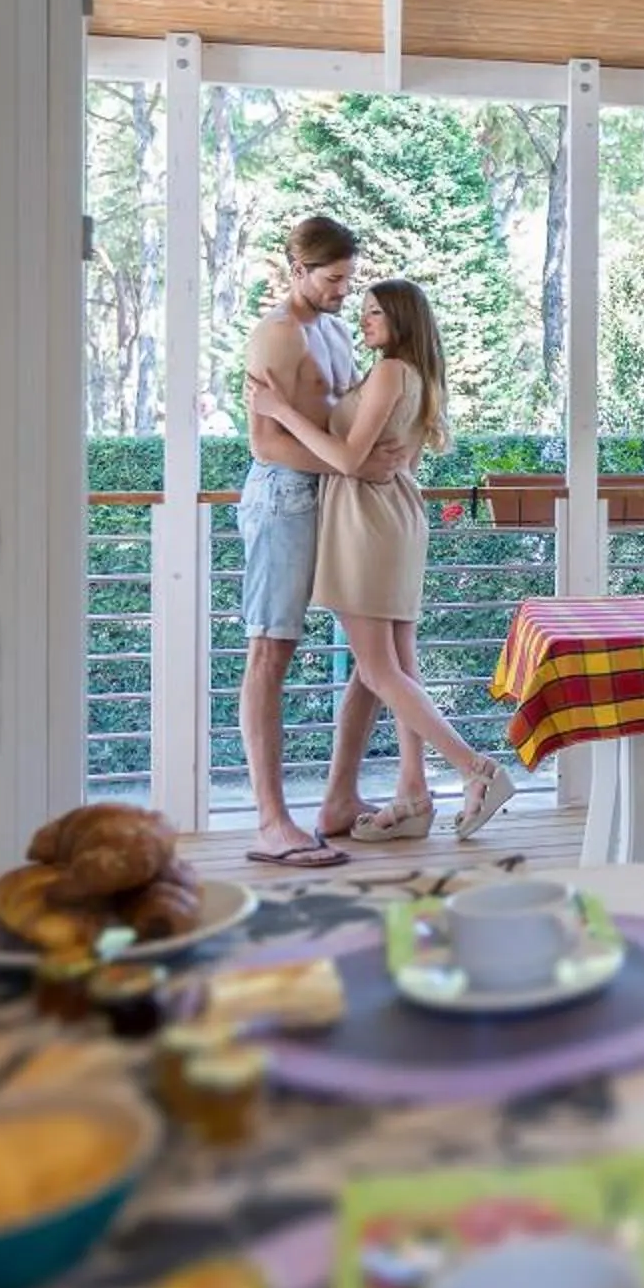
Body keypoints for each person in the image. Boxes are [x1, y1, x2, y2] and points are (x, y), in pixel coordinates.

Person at [250, 276, 518, 841]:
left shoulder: (393, 372)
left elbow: (348, 459)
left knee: (376, 668)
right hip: (394, 516)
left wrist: (281, 410)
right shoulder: (410, 375)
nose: (364, 319)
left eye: (375, 313)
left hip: (365, 520)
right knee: (394, 665)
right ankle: (413, 791)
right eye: (363, 310)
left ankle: (476, 769)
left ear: (400, 321)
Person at [235, 216, 407, 866]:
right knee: (270, 653)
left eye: (349, 279)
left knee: (375, 652)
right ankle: (271, 823)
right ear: (297, 270)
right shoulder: (275, 337)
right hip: (283, 497)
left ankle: (338, 798)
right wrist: (352, 464)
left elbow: (350, 417)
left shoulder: (335, 330)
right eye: (333, 280)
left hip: (339, 497)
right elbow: (265, 440)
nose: (344, 292)